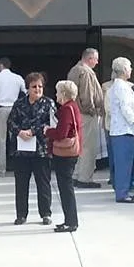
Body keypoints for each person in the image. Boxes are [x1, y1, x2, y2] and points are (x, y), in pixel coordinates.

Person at [8, 72, 56, 225]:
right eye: (34, 87)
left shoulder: (48, 103)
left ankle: (45, 213)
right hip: (21, 150)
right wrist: (20, 132)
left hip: (41, 150)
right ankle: (21, 214)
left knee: (43, 183)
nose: (37, 89)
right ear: (27, 88)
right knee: (21, 184)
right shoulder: (19, 103)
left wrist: (33, 131)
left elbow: (52, 123)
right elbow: (11, 121)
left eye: (40, 86)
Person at [107, 57, 134, 203]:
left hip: (122, 130)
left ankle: (122, 191)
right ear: (124, 70)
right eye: (129, 67)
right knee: (124, 163)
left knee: (124, 162)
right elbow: (126, 109)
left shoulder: (118, 86)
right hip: (123, 130)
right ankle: (122, 193)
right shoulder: (122, 87)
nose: (131, 69)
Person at [44, 79, 83, 233]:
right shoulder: (73, 107)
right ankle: (69, 220)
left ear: (64, 93)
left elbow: (61, 133)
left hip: (66, 154)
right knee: (65, 187)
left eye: (58, 91)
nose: (56, 94)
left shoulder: (67, 109)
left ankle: (71, 222)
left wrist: (47, 131)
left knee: (66, 188)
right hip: (72, 151)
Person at [66, 48, 104, 189]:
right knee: (89, 147)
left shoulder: (74, 70)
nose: (97, 62)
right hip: (87, 115)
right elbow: (87, 95)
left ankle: (77, 175)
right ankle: (85, 178)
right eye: (96, 59)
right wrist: (92, 110)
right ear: (89, 58)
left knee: (81, 146)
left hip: (77, 113)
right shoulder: (86, 72)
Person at [0, 57, 26, 177]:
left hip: (1, 108)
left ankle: (2, 169)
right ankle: (19, 167)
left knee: (0, 140)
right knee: (16, 138)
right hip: (15, 109)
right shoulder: (18, 78)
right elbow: (25, 92)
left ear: (0, 65)